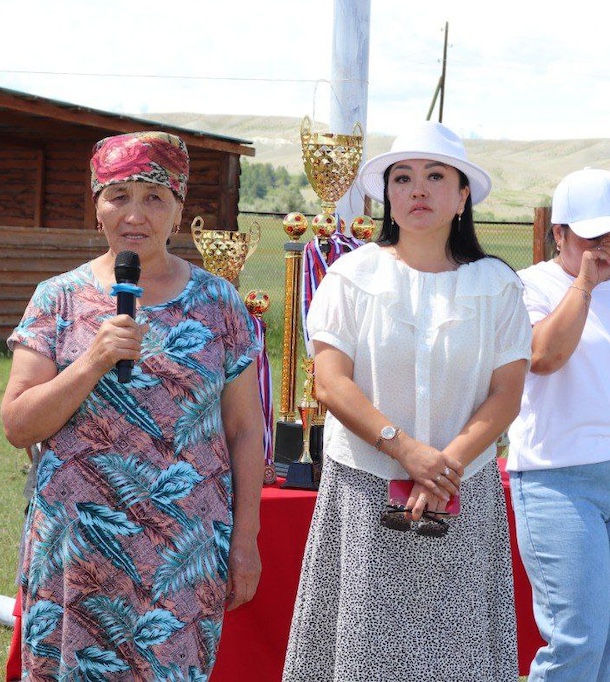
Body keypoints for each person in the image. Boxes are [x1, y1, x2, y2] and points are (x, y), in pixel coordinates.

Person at [1, 131, 264, 679]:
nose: (135, 214)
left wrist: (245, 542)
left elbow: (244, 430)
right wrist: (92, 362)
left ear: (179, 209)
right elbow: (19, 425)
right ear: (97, 206)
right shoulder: (59, 297)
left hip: (183, 552)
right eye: (118, 195)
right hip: (78, 549)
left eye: (154, 197)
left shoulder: (220, 303)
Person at [281, 121, 531, 681]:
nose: (419, 189)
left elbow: (506, 394)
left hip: (460, 493)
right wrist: (406, 451)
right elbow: (330, 382)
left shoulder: (497, 285)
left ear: (463, 194)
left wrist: (443, 466)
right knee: (362, 656)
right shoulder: (351, 275)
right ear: (387, 194)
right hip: (365, 488)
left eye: (436, 176)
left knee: (455, 657)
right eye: (403, 177)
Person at [507, 168, 610, 680]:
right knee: (575, 641)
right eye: (593, 235)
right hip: (561, 476)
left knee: (608, 645)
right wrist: (584, 284)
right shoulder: (527, 285)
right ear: (559, 233)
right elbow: (545, 357)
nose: (609, 246)